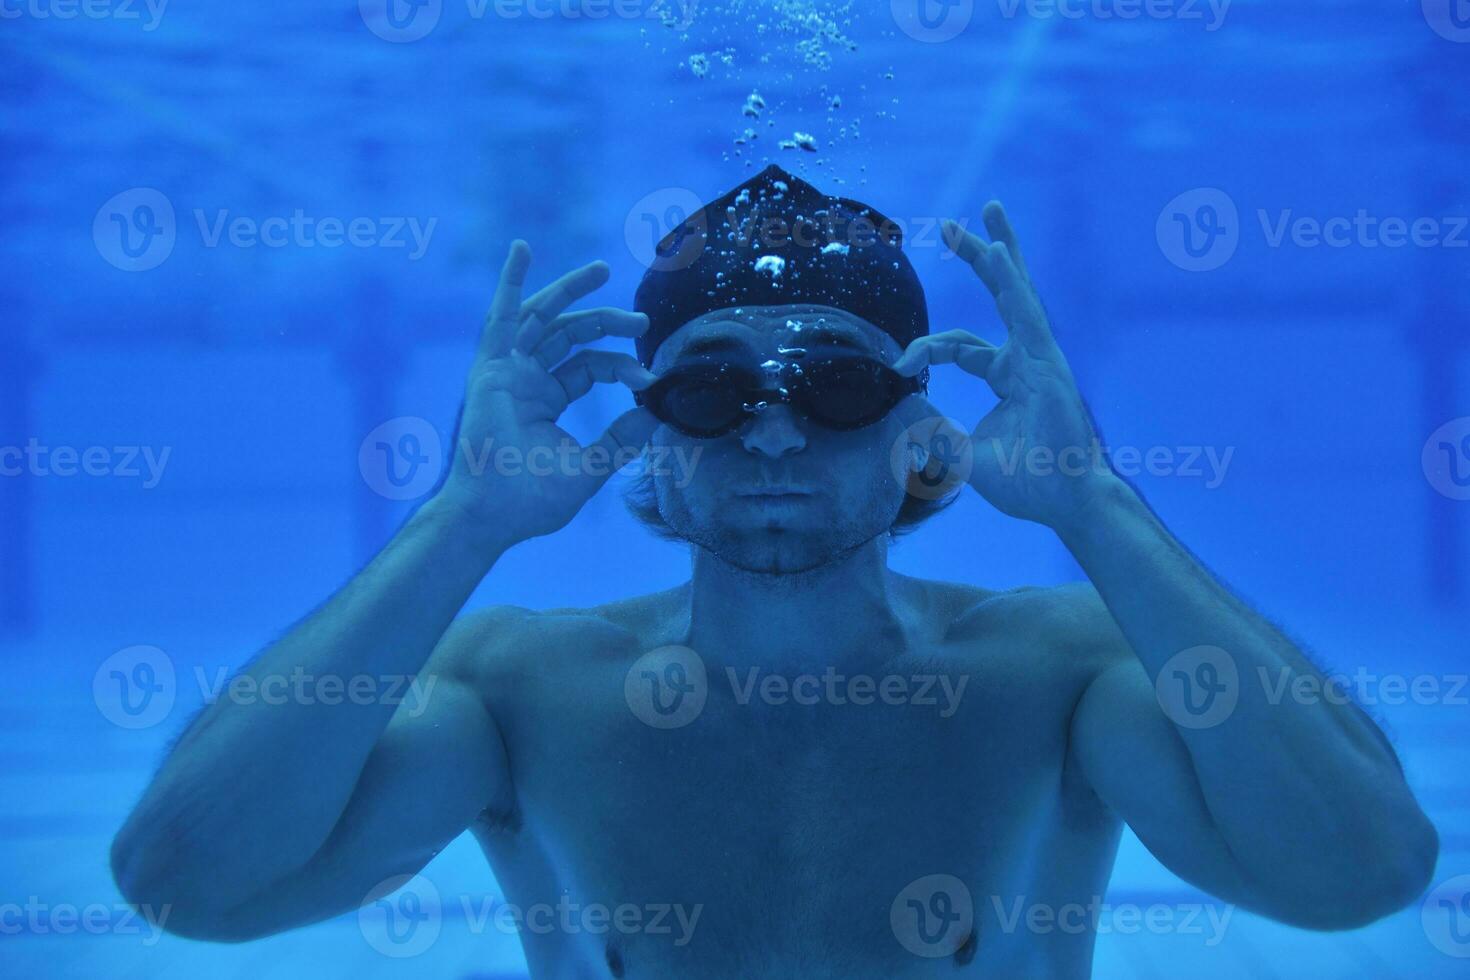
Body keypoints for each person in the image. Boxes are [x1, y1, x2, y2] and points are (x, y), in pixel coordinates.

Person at [111, 165, 1438, 978]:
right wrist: (458, 524)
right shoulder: (518, 700)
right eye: (711, 387)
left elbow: (1358, 877)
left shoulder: (1063, 684)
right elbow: (187, 885)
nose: (772, 429)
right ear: (647, 426)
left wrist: (1098, 511)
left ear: (923, 431)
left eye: (841, 384)